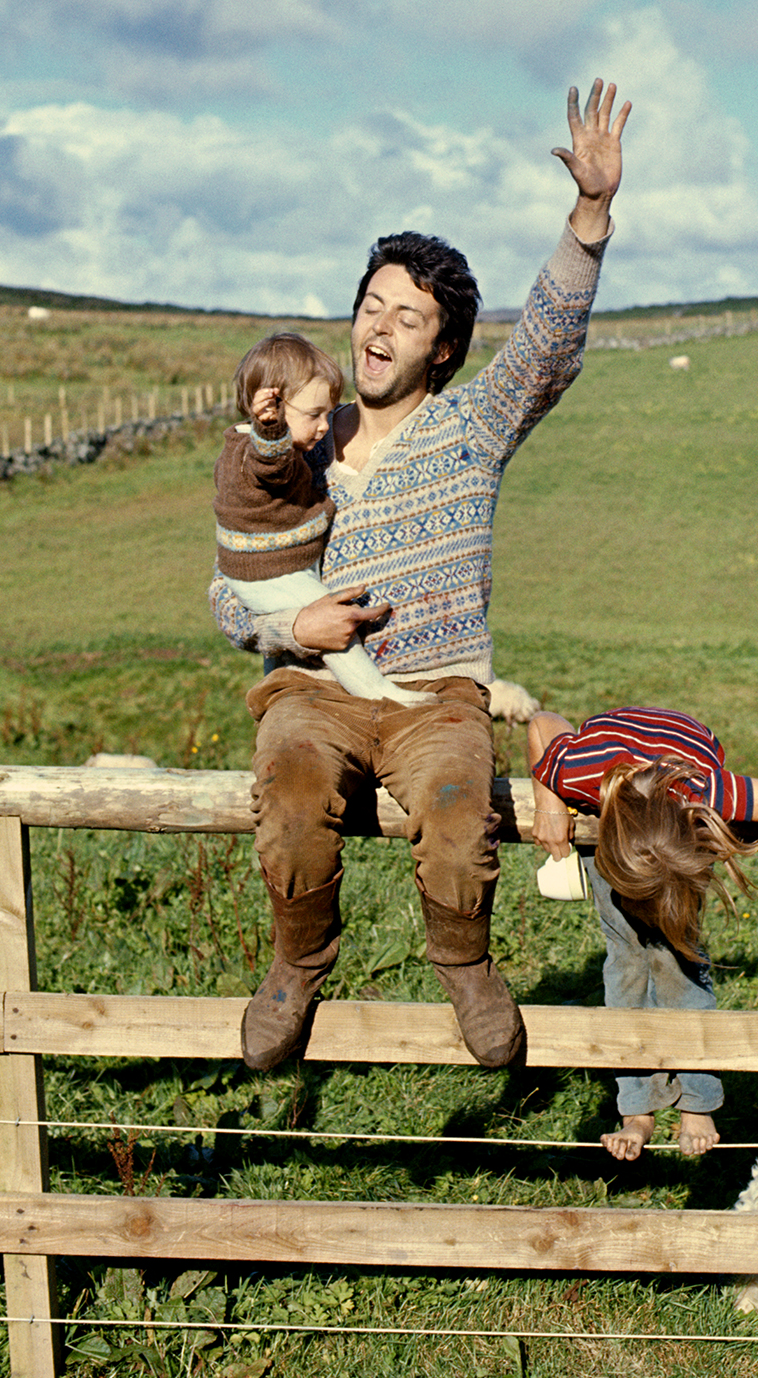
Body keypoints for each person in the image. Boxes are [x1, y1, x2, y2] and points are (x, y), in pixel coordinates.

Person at [209, 79, 632, 1074]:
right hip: (315, 689)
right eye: (369, 305)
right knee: (288, 775)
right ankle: (296, 961)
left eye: (406, 316)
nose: (377, 328)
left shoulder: (469, 430)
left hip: (434, 692)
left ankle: (465, 962)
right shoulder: (288, 448)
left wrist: (590, 213)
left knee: (454, 801)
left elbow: (546, 343)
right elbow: (228, 588)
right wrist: (287, 628)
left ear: (440, 345)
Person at [527, 705, 758, 1161]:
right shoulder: (578, 772)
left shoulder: (709, 791)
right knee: (625, 962)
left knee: (679, 960)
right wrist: (549, 804)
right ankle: (637, 1110)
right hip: (619, 818)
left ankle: (697, 1104)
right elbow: (542, 722)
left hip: (673, 800)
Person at [214, 332, 437, 708]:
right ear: (272, 408)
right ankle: (376, 691)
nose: (324, 426)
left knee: (321, 619)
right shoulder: (253, 454)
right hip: (268, 572)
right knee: (334, 623)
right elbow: (272, 466)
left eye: (328, 413)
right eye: (315, 415)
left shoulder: (255, 447)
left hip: (278, 565)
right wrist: (272, 431)